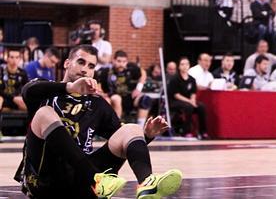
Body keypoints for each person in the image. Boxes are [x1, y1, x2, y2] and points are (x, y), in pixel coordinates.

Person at [15, 45, 182, 198]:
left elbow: (123, 143)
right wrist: (70, 88)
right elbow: (27, 91)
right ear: (67, 63)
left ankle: (147, 184)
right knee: (44, 113)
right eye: (81, 62)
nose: (85, 69)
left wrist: (146, 135)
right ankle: (95, 178)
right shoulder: (44, 90)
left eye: (91, 66)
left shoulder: (97, 104)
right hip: (44, 182)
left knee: (131, 129)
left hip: (79, 183)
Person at [96, 51, 152, 127]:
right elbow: (97, 84)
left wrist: (138, 88)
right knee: (116, 98)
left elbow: (143, 73)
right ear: (113, 60)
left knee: (145, 100)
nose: (121, 64)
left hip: (130, 97)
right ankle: (116, 127)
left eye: (124, 61)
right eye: (119, 61)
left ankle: (140, 129)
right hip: (113, 98)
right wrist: (102, 94)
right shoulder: (106, 71)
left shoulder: (131, 68)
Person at [168, 57, 208, 139]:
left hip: (188, 101)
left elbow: (193, 93)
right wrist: (190, 101)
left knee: (201, 106)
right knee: (188, 107)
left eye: (186, 64)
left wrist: (193, 100)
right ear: (179, 66)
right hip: (175, 102)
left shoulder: (192, 79)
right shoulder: (175, 79)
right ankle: (186, 131)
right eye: (182, 64)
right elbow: (176, 95)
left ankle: (202, 131)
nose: (185, 66)